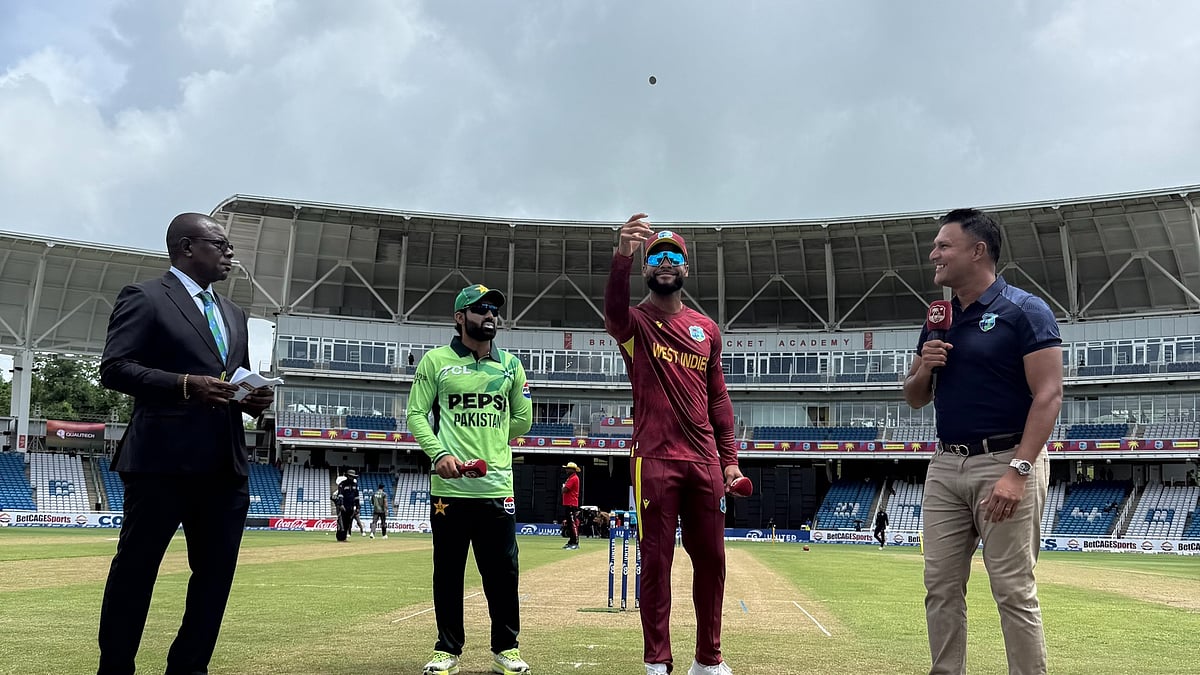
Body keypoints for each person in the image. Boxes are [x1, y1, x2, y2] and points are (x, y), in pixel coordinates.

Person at [96, 212, 275, 674]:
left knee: (215, 580)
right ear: (186, 247)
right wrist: (184, 384)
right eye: (221, 245)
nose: (230, 254)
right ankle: (116, 668)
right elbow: (114, 368)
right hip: (161, 461)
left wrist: (251, 398)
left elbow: (228, 379)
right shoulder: (146, 297)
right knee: (136, 572)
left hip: (224, 465)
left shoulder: (235, 313)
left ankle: (189, 668)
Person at [903, 208, 1061, 675]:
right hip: (946, 465)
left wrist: (1019, 471)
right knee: (940, 586)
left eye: (943, 245)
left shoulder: (1024, 310)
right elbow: (914, 398)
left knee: (1013, 590)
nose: (934, 253)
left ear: (978, 251)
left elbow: (1049, 395)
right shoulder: (938, 318)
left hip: (1006, 461)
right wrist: (925, 366)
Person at [604, 216, 743, 675]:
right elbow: (613, 313)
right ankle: (656, 662)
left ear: (686, 268)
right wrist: (622, 255)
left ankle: (708, 660)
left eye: (674, 256)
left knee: (713, 562)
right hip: (654, 458)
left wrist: (730, 463)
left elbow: (719, 399)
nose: (666, 263)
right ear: (647, 269)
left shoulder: (707, 330)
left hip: (704, 461)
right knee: (656, 563)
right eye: (656, 257)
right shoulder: (635, 324)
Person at [407, 283, 533, 675]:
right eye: (480, 309)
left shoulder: (510, 365)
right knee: (448, 570)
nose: (490, 316)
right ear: (460, 318)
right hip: (449, 490)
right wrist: (440, 453)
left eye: (494, 309)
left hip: (496, 486)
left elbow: (523, 419)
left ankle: (506, 649)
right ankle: (447, 649)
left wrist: (493, 440)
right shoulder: (436, 361)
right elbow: (415, 415)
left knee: (503, 572)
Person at [334, 471, 361, 542]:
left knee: (348, 522)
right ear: (347, 476)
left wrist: (357, 507)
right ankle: (339, 537)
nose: (351, 478)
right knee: (341, 522)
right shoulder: (342, 484)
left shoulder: (355, 485)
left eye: (353, 477)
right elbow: (340, 495)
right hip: (343, 506)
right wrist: (341, 504)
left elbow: (357, 497)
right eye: (350, 476)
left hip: (351, 507)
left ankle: (344, 537)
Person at [561, 461, 582, 550]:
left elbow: (565, 490)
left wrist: (563, 487)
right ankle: (571, 541)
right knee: (570, 524)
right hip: (568, 503)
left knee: (572, 523)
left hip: (571, 503)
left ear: (573, 470)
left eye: (568, 468)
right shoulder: (571, 478)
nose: (566, 470)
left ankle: (575, 542)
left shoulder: (573, 478)